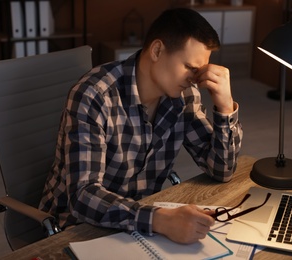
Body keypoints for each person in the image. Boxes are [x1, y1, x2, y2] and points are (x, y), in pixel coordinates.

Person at [39, 7, 242, 245]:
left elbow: (221, 170)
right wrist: (160, 220)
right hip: (77, 229)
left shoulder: (185, 97)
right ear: (157, 50)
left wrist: (226, 107)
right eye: (190, 68)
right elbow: (83, 196)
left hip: (140, 225)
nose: (195, 79)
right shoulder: (94, 95)